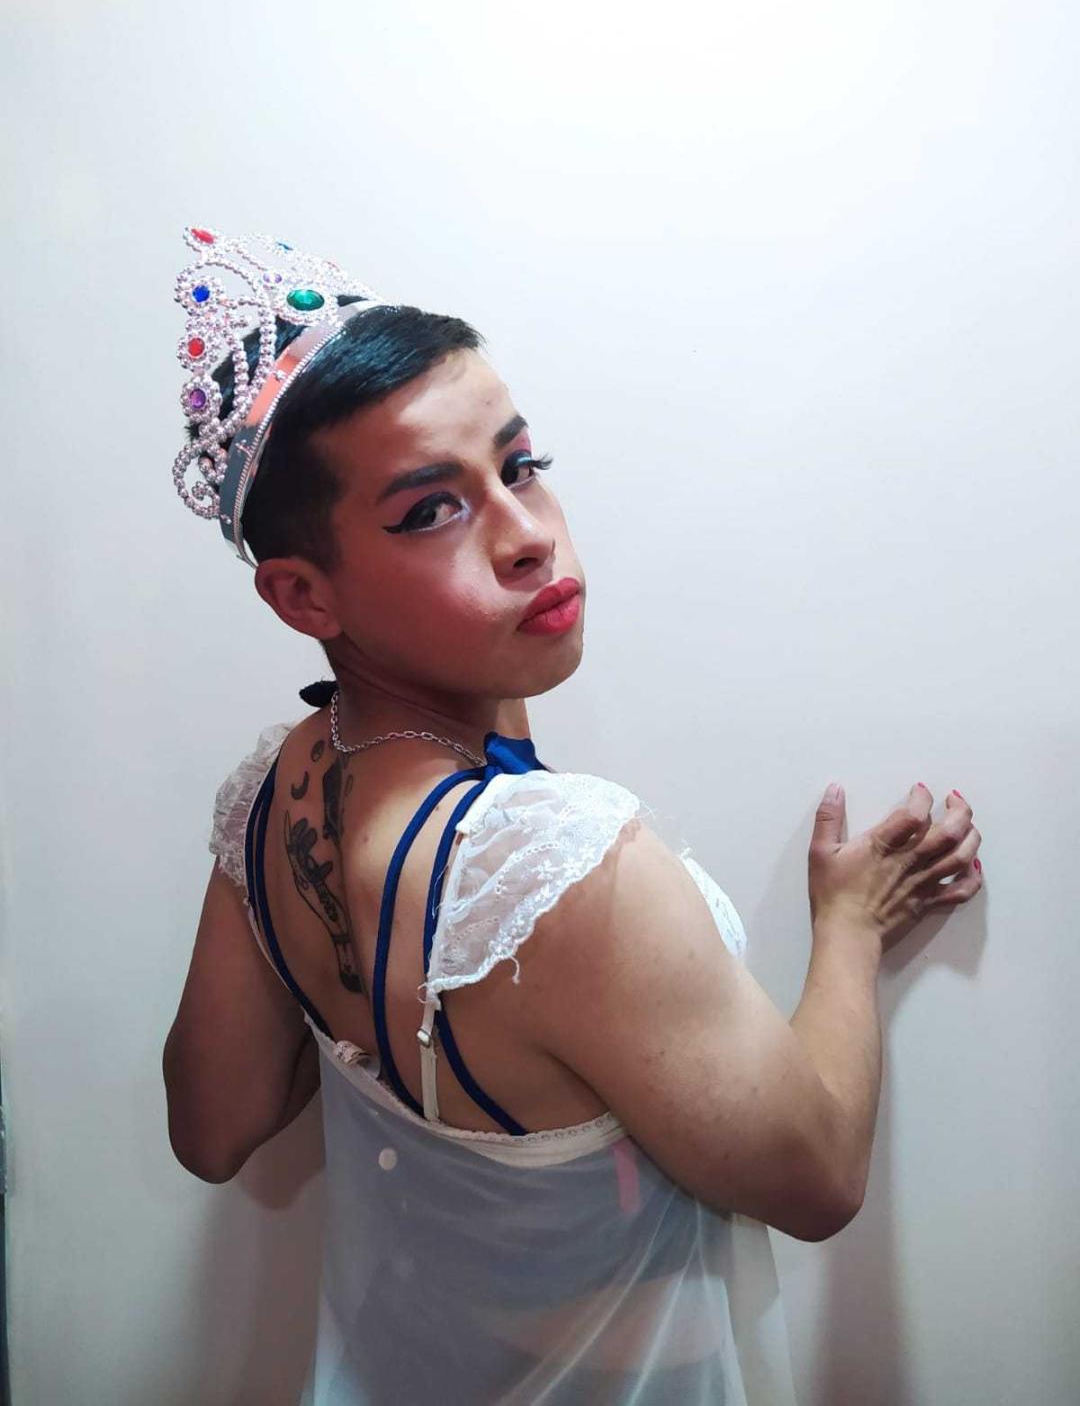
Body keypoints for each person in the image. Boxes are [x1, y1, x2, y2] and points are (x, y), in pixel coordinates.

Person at [162, 228, 984, 1404]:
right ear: (303, 594)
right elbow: (815, 1180)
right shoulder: (565, 869)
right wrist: (849, 929)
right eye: (431, 511)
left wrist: (367, 1016)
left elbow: (215, 1123)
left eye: (522, 463)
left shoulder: (276, 794)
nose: (527, 532)